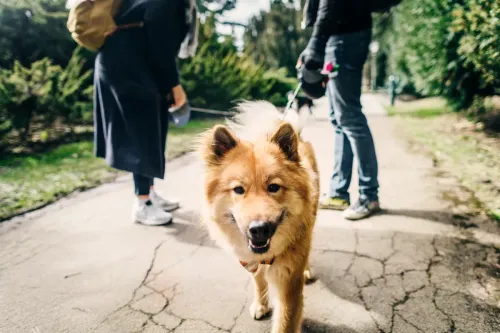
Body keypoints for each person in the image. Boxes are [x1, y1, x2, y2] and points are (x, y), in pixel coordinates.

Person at [93, 0, 197, 226]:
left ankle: (149, 192)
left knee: (153, 126)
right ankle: (143, 203)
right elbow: (160, 44)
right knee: (143, 132)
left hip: (136, 65)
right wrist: (174, 85)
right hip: (125, 68)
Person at [299, 0, 380, 220]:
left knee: (350, 118)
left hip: (345, 36)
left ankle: (369, 195)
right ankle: (338, 192)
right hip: (341, 35)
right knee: (339, 119)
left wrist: (316, 43)